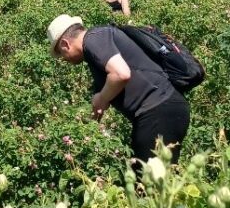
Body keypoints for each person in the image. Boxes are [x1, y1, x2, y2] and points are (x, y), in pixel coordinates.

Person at [48, 14, 190, 164]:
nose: (65, 59)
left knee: (150, 182)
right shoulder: (97, 45)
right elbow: (108, 91)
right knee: (150, 179)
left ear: (65, 44)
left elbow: (121, 74)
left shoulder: (93, 39)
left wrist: (102, 98)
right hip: (160, 111)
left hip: (159, 111)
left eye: (62, 54)